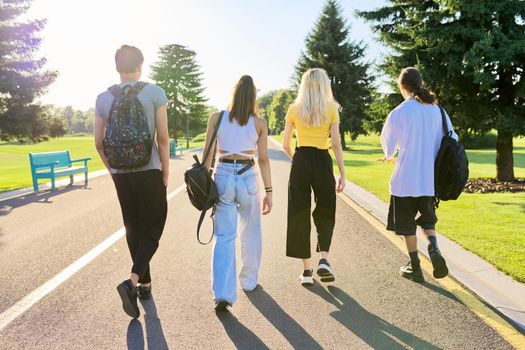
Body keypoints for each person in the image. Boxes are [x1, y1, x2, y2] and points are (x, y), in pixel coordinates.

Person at [94, 45, 170, 318]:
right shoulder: (154, 92)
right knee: (154, 226)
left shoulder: (103, 98)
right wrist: (164, 170)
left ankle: (145, 285)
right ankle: (133, 281)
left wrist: (114, 171)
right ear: (140, 66)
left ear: (117, 67)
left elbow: (98, 143)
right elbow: (163, 138)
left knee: (133, 228)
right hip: (148, 170)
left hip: (121, 175)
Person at [379, 67, 457, 282]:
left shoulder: (399, 112)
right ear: (419, 83)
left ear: (402, 87)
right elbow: (452, 139)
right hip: (429, 180)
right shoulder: (437, 110)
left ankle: (415, 267)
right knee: (428, 222)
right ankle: (434, 249)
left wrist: (388, 155)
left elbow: (388, 145)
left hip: (405, 180)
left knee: (406, 225)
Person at [203, 75, 273, 311]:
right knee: (251, 230)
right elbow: (262, 160)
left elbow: (207, 158)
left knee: (224, 236)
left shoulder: (216, 118)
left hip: (223, 175)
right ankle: (249, 281)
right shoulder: (259, 123)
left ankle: (222, 293)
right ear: (253, 96)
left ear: (233, 93)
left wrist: (203, 186)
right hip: (247, 176)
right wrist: (269, 191)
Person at [282, 68, 345, 286]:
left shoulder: (294, 109)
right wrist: (342, 174)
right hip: (322, 160)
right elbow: (335, 144)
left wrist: (296, 160)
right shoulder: (331, 108)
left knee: (299, 212)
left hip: (300, 158)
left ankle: (307, 271)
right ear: (324, 85)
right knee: (326, 209)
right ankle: (324, 260)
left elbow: (285, 144)